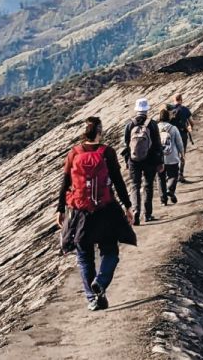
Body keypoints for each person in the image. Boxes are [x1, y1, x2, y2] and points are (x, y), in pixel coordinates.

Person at [56, 116, 136, 311]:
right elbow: (118, 181)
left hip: (80, 213)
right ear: (99, 132)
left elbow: (65, 182)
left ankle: (92, 298)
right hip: (105, 211)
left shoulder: (74, 153)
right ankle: (100, 281)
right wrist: (127, 206)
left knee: (84, 257)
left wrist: (60, 209)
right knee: (110, 252)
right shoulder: (107, 153)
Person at [122, 98, 163, 226]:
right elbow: (157, 144)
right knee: (148, 185)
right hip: (150, 160)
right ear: (146, 110)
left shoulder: (130, 124)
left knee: (135, 185)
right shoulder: (152, 124)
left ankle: (135, 211)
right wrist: (160, 162)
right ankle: (148, 214)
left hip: (134, 160)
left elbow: (126, 144)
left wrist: (128, 161)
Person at [156, 107, 185, 205]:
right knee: (173, 175)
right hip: (172, 156)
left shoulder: (155, 127)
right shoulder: (173, 128)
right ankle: (170, 189)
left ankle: (163, 200)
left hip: (159, 158)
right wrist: (182, 154)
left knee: (160, 178)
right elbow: (179, 142)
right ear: (168, 117)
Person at [169, 94, 194, 182]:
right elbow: (191, 122)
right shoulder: (185, 109)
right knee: (182, 155)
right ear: (181, 100)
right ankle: (180, 175)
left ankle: (171, 175)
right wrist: (190, 129)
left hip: (171, 135)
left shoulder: (170, 109)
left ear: (174, 99)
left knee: (172, 154)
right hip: (182, 134)